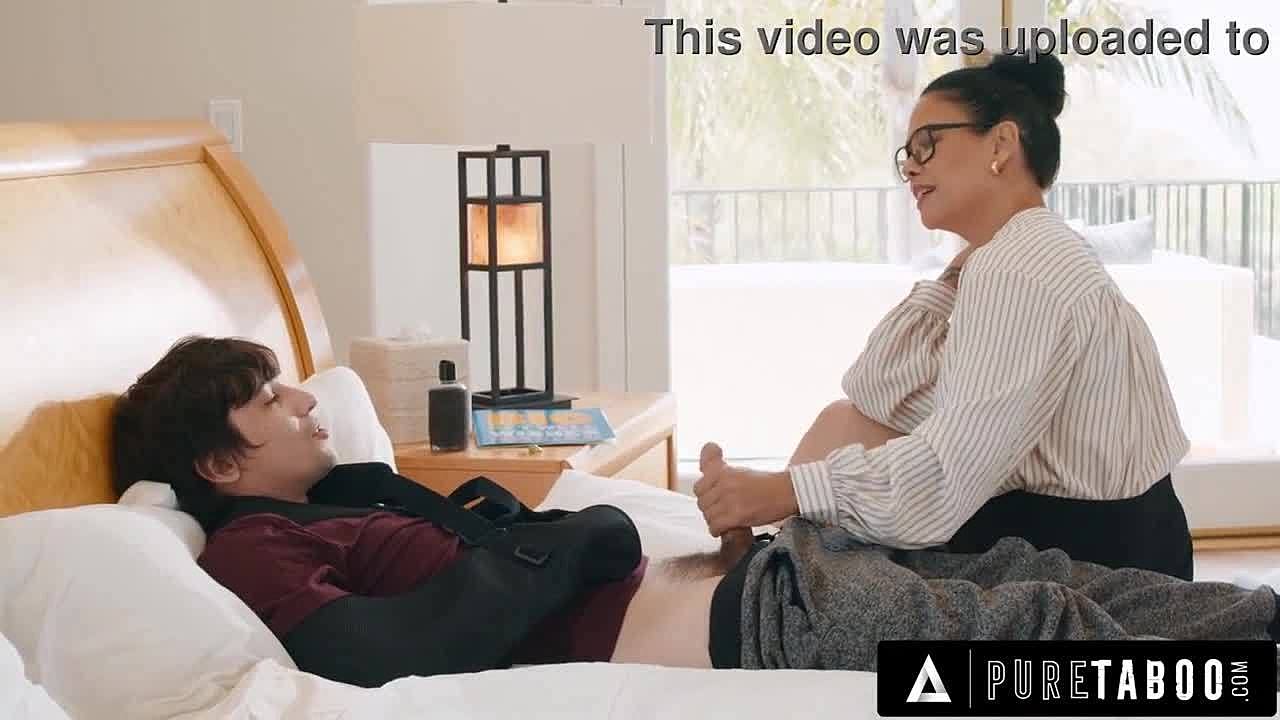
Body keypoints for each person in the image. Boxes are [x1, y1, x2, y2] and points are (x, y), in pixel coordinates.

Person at [111, 336, 1277, 685]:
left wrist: (586, 540)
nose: (303, 400)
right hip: (760, 630)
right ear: (217, 462)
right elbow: (369, 653)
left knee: (1041, 573)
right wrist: (576, 545)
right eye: (269, 399)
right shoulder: (257, 553)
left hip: (763, 578)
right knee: (1032, 632)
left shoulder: (342, 499)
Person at [693, 51, 1195, 579]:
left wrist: (782, 491)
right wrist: (955, 273)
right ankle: (764, 574)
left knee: (839, 463)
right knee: (843, 421)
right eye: (906, 155)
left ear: (1000, 145)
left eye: (927, 144)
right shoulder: (1016, 252)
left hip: (1093, 557)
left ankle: (759, 584)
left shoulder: (1020, 269)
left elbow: (944, 477)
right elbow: (874, 390)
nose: (911, 167)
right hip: (1120, 535)